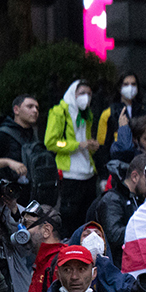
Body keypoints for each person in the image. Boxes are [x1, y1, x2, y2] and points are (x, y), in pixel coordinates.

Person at [44, 79, 101, 234]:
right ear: (72, 93)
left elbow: (84, 139)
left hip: (88, 172)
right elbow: (51, 142)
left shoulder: (87, 114)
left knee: (87, 217)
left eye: (89, 94)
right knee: (69, 218)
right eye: (82, 93)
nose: (86, 97)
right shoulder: (59, 112)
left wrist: (91, 145)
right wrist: (77, 145)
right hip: (70, 173)